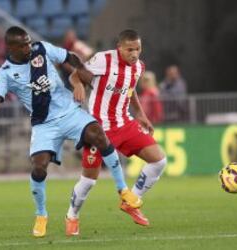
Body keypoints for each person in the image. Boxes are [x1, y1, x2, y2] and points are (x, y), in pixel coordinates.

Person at [0, 26, 142, 238]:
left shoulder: (42, 49)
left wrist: (82, 70)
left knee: (99, 135)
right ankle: (41, 215)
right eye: (23, 45)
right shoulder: (4, 73)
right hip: (44, 124)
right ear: (11, 47)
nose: (28, 47)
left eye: (29, 42)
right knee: (39, 168)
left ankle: (123, 190)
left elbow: (70, 56)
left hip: (69, 112)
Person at [69, 30, 167, 233]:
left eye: (138, 49)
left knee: (159, 160)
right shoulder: (103, 60)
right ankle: (72, 215)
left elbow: (129, 90)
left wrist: (140, 113)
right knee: (88, 181)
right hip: (98, 129)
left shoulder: (138, 67)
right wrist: (78, 85)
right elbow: (74, 74)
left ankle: (132, 201)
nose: (134, 54)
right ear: (119, 48)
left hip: (124, 124)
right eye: (130, 49)